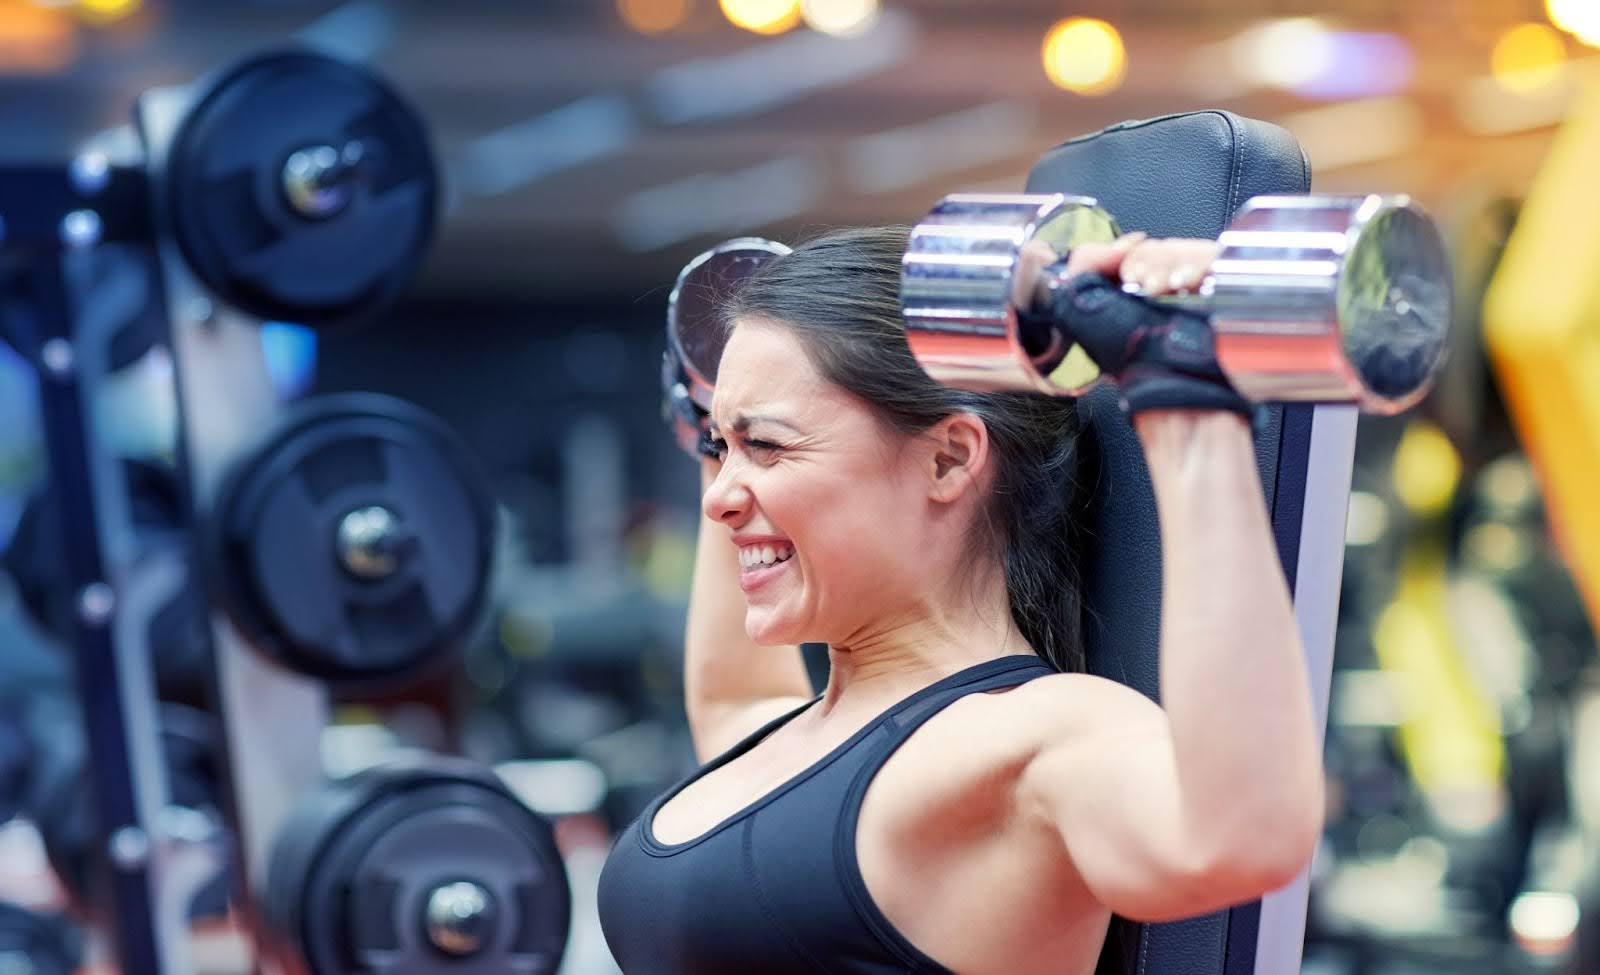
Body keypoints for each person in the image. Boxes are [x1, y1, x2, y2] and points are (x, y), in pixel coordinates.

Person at [598, 226, 1325, 975]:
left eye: (768, 446)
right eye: (721, 448)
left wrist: (1186, 403)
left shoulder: (1038, 740)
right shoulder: (803, 738)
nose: (716, 500)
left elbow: (1242, 833)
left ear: (947, 457)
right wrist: (707, 415)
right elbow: (730, 695)